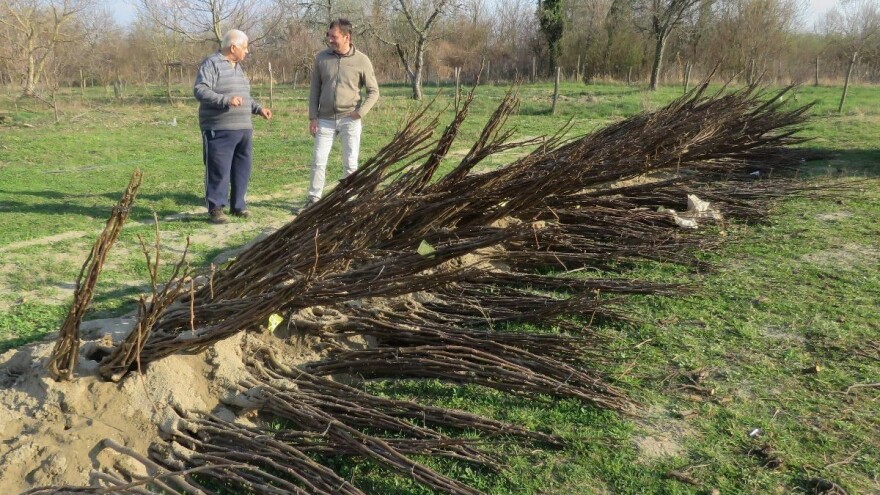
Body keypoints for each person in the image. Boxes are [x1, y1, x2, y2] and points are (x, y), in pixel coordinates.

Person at [194, 29, 271, 224]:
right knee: (218, 169)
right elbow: (200, 90)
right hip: (219, 128)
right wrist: (225, 100)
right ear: (233, 47)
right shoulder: (211, 63)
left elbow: (244, 96)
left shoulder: (239, 68)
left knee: (241, 168)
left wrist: (258, 109)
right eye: (244, 48)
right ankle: (216, 208)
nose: (247, 51)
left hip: (243, 128)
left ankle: (238, 206)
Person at [305, 18, 379, 209]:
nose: (330, 39)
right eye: (328, 35)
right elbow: (314, 89)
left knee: (350, 163)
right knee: (318, 161)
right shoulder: (321, 58)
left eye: (334, 36)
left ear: (347, 37)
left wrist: (360, 113)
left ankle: (349, 202)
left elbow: (374, 91)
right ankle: (314, 200)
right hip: (325, 120)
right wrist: (313, 117)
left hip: (349, 119)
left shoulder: (361, 60)